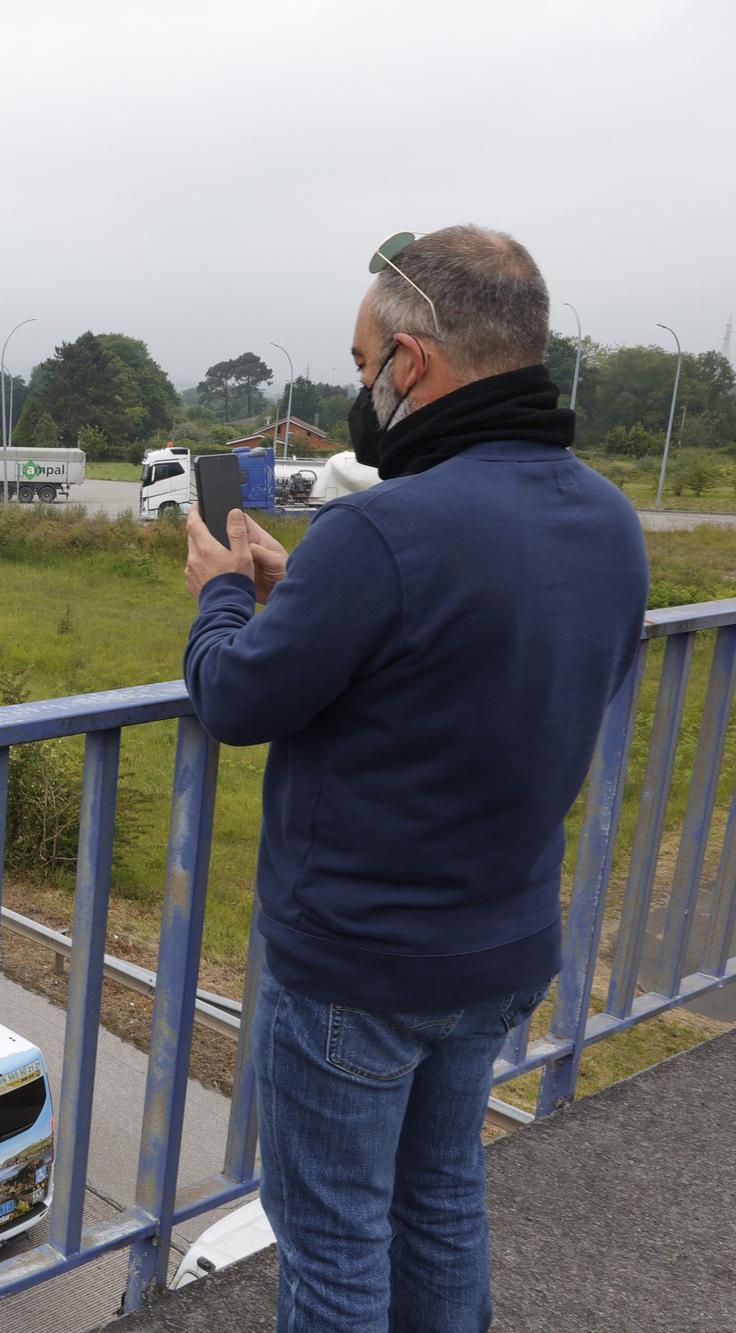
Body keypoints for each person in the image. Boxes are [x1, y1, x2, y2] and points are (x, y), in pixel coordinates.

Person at [181, 225, 649, 1331]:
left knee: (334, 1241)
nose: (358, 389)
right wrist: (311, 592)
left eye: (358, 365)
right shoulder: (607, 521)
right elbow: (470, 653)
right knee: (440, 1202)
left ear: (411, 363)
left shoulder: (380, 528)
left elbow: (238, 698)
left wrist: (219, 592)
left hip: (358, 960)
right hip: (497, 948)